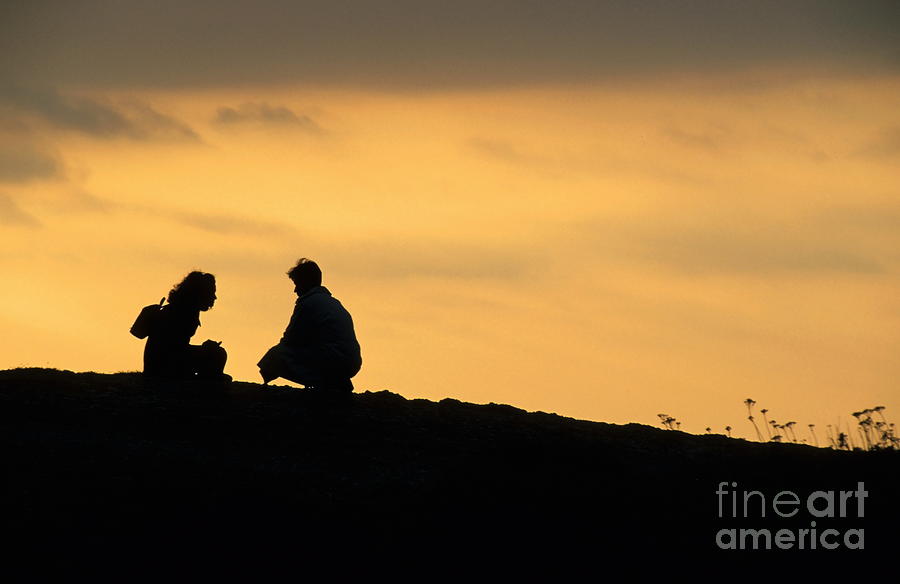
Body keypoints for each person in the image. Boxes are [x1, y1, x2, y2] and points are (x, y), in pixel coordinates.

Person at [258, 258, 362, 392]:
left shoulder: (308, 303)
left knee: (277, 355)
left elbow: (291, 338)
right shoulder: (332, 303)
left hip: (334, 360)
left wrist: (270, 363)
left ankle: (329, 383)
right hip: (350, 362)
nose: (295, 290)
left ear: (306, 282)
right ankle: (334, 382)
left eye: (297, 284)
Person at [143, 271, 229, 382]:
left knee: (215, 353)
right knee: (218, 354)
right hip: (164, 366)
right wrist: (206, 349)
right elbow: (172, 349)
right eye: (212, 293)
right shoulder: (184, 312)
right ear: (200, 293)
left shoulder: (179, 308)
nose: (214, 297)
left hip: (159, 364)